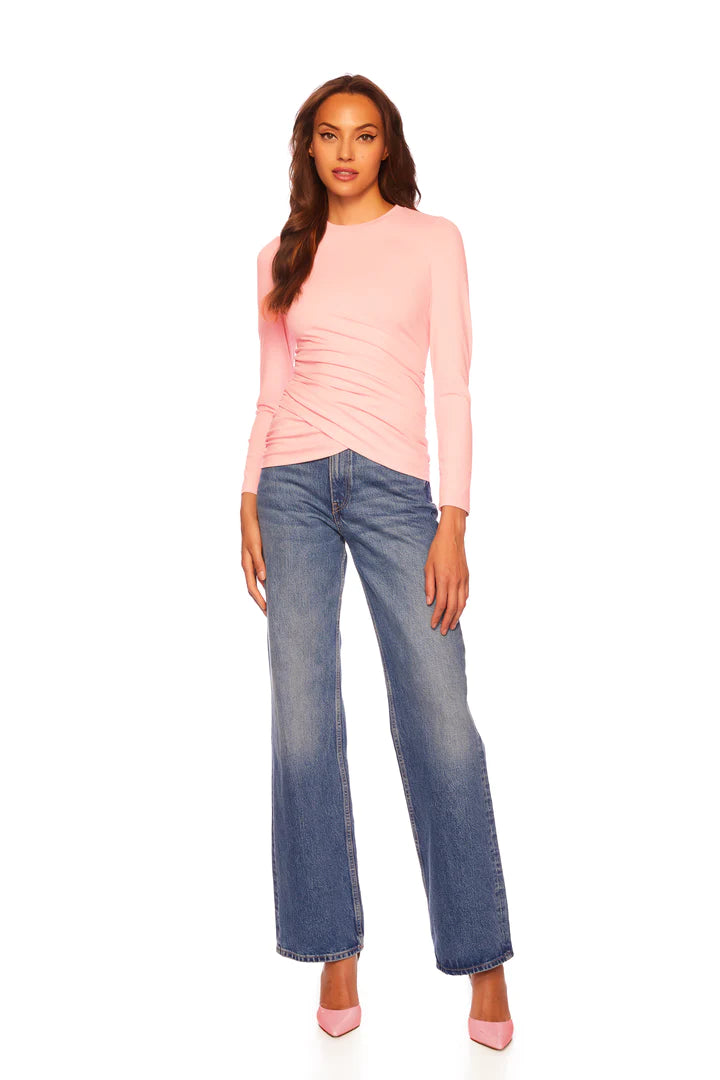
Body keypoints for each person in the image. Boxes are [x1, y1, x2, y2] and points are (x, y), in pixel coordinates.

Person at [240, 74, 515, 1049]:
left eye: (364, 135)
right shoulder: (281, 254)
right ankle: (334, 948)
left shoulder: (432, 240)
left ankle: (482, 960)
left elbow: (454, 385)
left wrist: (456, 518)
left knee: (440, 720)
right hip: (290, 486)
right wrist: (246, 494)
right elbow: (272, 388)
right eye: (329, 135)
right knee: (303, 720)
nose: (346, 152)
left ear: (386, 146)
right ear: (309, 148)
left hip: (399, 493)